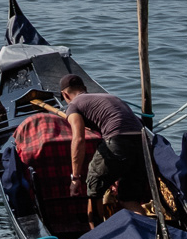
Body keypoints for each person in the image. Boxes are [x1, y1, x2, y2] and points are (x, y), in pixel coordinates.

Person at [61, 74, 150, 217]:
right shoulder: (109, 97)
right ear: (85, 88)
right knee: (129, 199)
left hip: (118, 140)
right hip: (143, 143)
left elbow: (78, 139)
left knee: (94, 190)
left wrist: (76, 178)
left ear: (65, 94)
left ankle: (98, 234)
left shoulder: (73, 105)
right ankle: (148, 233)